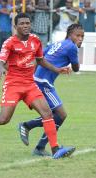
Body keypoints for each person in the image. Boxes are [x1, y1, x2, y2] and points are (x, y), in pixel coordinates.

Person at [0, 12, 75, 159]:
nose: (25, 26)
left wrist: (57, 69)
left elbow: (40, 60)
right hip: (13, 85)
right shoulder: (9, 43)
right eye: (22, 24)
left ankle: (55, 150)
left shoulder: (35, 40)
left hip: (30, 84)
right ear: (15, 27)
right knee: (3, 119)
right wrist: (1, 69)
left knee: (47, 113)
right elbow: (0, 61)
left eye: (27, 23)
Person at [18, 23, 84, 156]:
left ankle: (39, 146)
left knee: (54, 115)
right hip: (44, 83)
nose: (80, 39)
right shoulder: (71, 47)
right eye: (78, 36)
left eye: (82, 36)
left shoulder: (57, 44)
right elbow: (76, 68)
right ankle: (29, 128)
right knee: (61, 115)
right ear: (70, 35)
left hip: (39, 80)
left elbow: (39, 57)